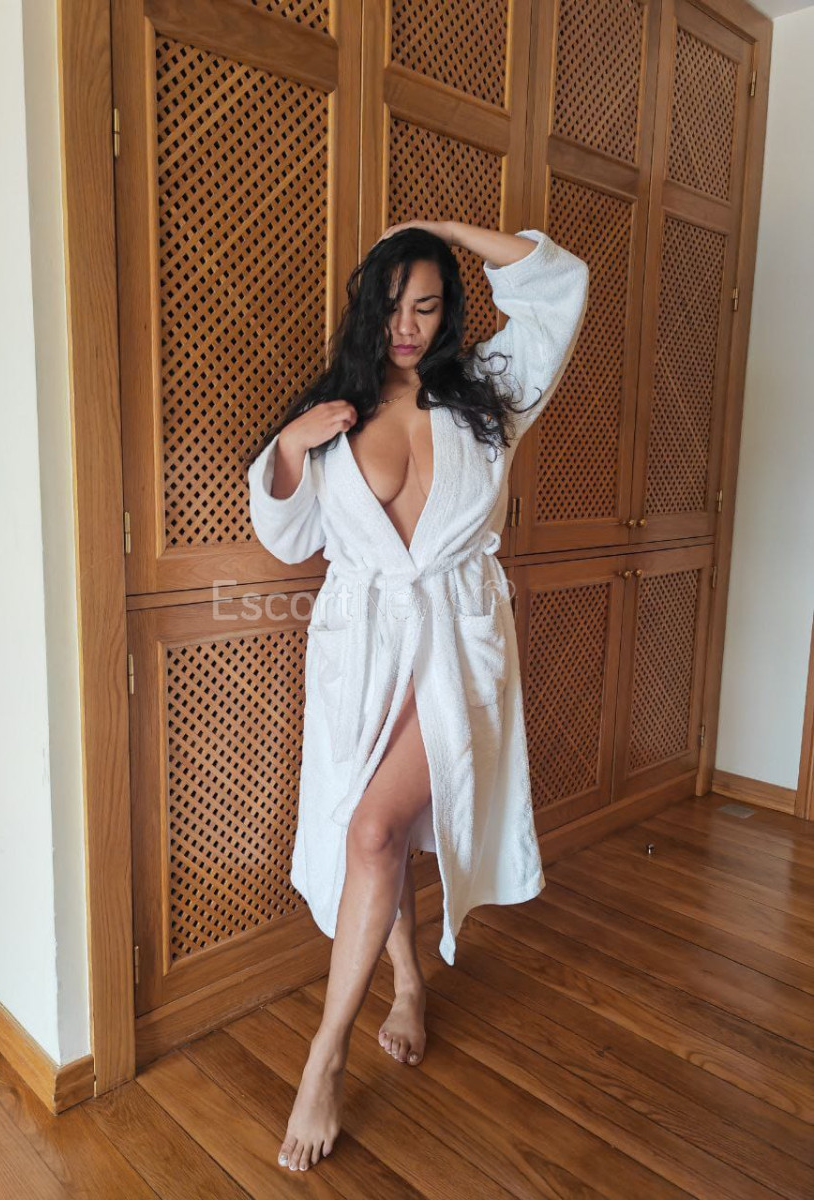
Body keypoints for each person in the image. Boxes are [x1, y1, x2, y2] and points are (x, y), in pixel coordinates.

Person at [245, 220, 590, 1172]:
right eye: (392, 306)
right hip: (362, 655)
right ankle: (405, 981)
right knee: (380, 833)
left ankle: (324, 1059)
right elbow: (287, 537)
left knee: (370, 831)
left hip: (454, 648)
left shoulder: (490, 394)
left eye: (427, 306)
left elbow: (560, 284)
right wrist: (288, 447)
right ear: (369, 309)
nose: (407, 327)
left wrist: (432, 229)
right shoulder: (335, 410)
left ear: (449, 313)